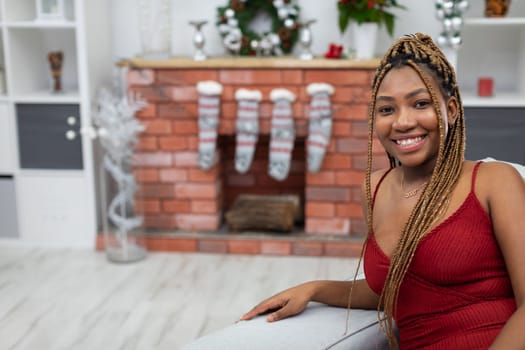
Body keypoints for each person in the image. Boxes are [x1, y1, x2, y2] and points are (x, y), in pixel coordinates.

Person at [240, 33, 525, 349]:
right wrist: (314, 289)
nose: (403, 122)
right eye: (387, 109)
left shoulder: (494, 181)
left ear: (452, 109)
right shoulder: (374, 188)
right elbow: (393, 291)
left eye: (420, 103)